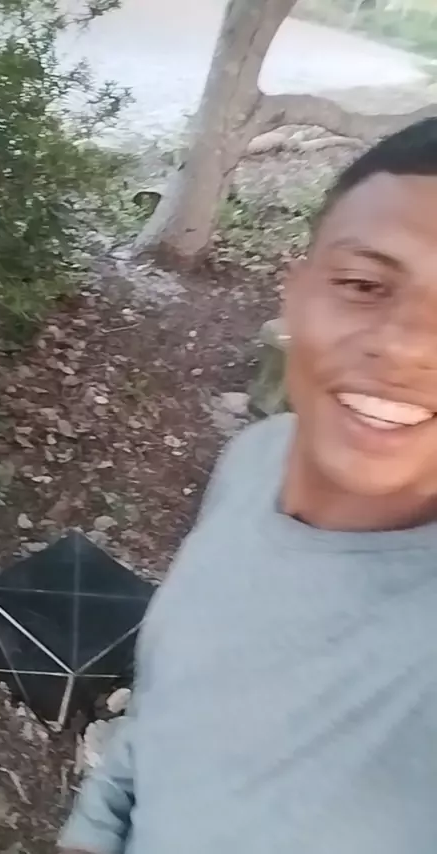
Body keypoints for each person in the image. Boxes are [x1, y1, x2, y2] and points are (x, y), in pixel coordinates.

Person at [60, 118, 437, 854]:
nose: (403, 344)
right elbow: (171, 700)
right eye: (364, 285)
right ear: (294, 296)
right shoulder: (257, 457)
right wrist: (94, 827)